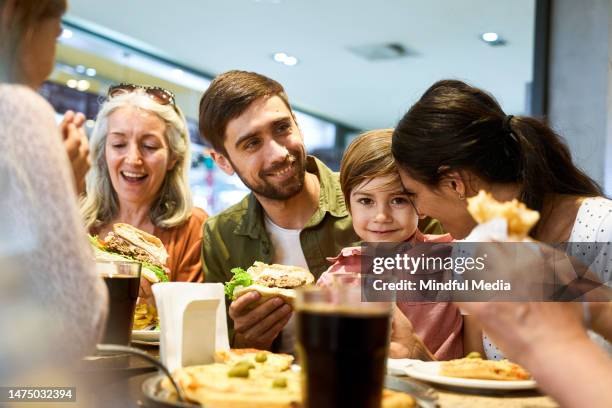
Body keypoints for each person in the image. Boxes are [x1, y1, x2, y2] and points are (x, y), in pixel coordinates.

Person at [199, 70, 443, 350]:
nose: (279, 153)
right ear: (223, 161)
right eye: (252, 143)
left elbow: (479, 321)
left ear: (297, 125)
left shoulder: (386, 195)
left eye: (282, 128)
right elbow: (219, 350)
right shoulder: (220, 235)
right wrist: (247, 339)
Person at [391, 79, 612, 357]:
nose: (419, 212)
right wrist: (416, 353)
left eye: (413, 194)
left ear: (455, 184)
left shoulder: (602, 226)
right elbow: (480, 376)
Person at [0, 0, 107, 382]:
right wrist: (61, 184)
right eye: (56, 19)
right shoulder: (17, 109)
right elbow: (76, 320)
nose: (59, 34)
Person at [316, 129, 463, 360]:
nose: (382, 216)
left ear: (420, 202)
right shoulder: (335, 278)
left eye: (398, 200)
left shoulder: (455, 258)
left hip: (442, 392)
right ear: (348, 205)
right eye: (366, 201)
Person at [81, 84, 207, 286]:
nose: (133, 159)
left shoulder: (194, 229)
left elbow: (192, 314)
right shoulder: (80, 223)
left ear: (173, 156)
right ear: (103, 152)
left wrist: (155, 302)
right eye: (119, 144)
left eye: (149, 146)